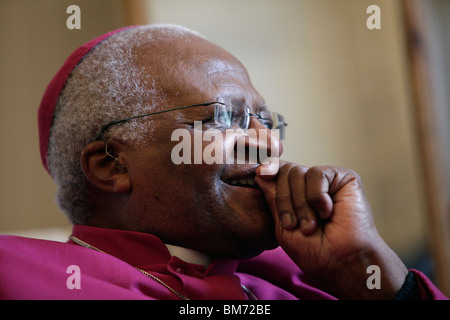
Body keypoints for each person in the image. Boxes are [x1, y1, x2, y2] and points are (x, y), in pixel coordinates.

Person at [0, 24, 447, 300]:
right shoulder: (19, 278)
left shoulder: (310, 274)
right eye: (225, 118)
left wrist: (378, 277)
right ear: (111, 165)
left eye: (267, 120)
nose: (267, 142)